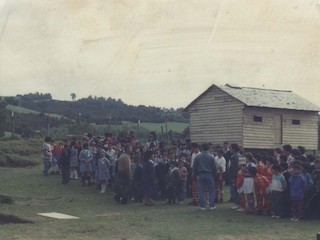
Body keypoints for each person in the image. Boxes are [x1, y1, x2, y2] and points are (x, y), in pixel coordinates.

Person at [192, 143, 217, 210]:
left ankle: (202, 205)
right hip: (209, 174)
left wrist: (194, 175)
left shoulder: (197, 157)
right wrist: (215, 175)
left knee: (201, 190)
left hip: (201, 174)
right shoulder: (211, 157)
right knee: (211, 190)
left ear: (201, 148)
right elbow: (214, 167)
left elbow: (194, 167)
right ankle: (212, 205)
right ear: (208, 148)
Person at [228, 143, 240, 208]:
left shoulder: (237, 156)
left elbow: (239, 167)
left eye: (230, 148)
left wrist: (235, 175)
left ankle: (237, 203)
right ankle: (236, 203)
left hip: (235, 175)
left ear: (234, 149)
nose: (230, 150)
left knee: (234, 190)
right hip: (234, 175)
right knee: (233, 190)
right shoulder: (234, 156)